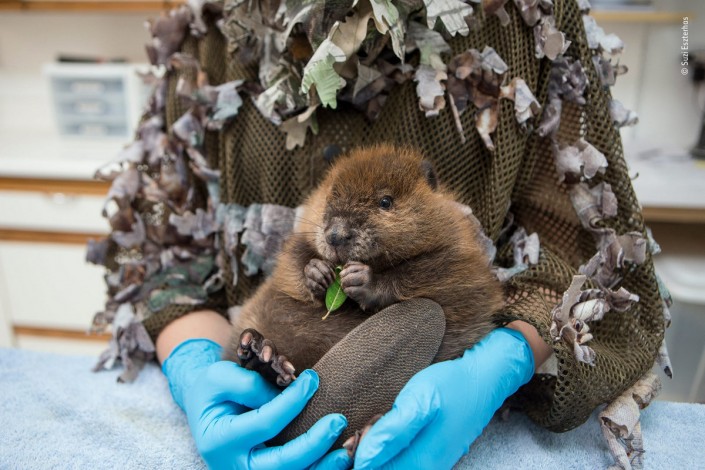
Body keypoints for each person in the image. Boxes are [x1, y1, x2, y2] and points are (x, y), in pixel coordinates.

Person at [90, 0, 667, 469]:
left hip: (438, 371)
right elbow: (159, 248)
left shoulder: (526, 18)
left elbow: (594, 253)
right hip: (264, 356)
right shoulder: (208, 30)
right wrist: (194, 361)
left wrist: (506, 359)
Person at [157, 310, 552, 469]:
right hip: (268, 325)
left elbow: (574, 252)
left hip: (447, 333)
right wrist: (194, 363)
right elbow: (167, 265)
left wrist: (508, 356)